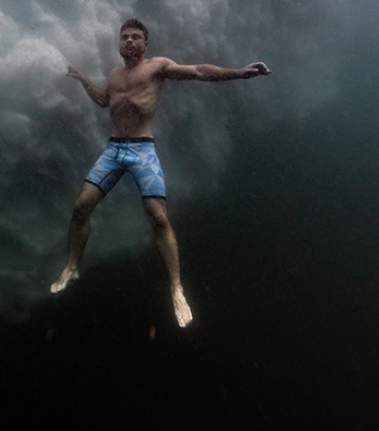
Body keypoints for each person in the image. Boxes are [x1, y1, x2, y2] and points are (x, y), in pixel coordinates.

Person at [51, 18, 270, 326]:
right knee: (80, 207)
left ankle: (177, 288)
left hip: (142, 150)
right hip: (114, 150)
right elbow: (104, 100)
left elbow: (198, 72)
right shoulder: (114, 75)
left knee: (159, 217)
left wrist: (240, 73)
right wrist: (82, 78)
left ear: (145, 43)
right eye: (124, 36)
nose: (128, 41)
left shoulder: (158, 67)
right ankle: (72, 267)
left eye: (135, 37)